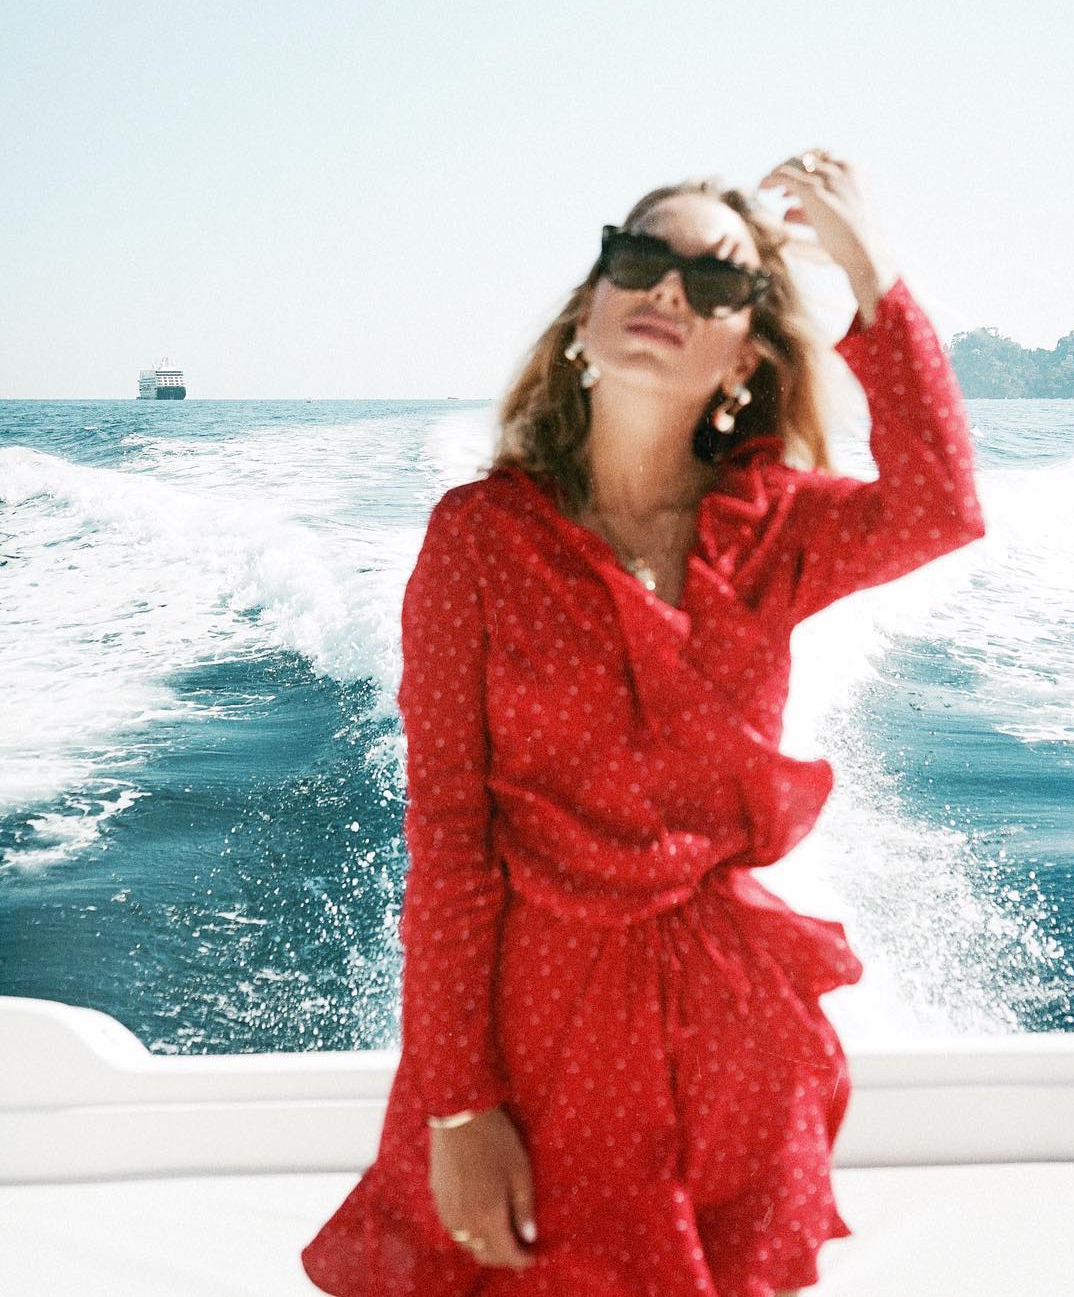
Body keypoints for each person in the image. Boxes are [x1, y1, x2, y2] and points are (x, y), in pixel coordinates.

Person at [301, 153, 987, 1296]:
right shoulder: (479, 540)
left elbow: (942, 507)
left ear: (745, 357)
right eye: (640, 258)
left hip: (735, 1036)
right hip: (543, 1038)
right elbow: (450, 839)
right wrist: (458, 1107)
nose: (668, 289)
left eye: (715, 282)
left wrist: (873, 269)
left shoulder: (775, 529)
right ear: (589, 309)